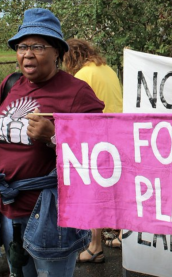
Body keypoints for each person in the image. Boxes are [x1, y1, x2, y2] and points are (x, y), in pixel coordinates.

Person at [0, 8, 104, 277]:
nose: (27, 53)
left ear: (57, 51)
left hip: (51, 217)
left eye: (37, 46)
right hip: (9, 210)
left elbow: (102, 152)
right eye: (22, 46)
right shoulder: (11, 85)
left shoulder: (77, 92)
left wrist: (54, 137)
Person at [63, 38, 123, 263]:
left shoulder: (82, 76)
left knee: (93, 192)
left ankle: (95, 246)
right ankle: (122, 236)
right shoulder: (107, 69)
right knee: (115, 190)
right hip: (118, 135)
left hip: (97, 139)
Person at [63, 38, 123, 113]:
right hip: (119, 121)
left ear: (71, 59)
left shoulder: (82, 75)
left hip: (100, 122)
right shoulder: (109, 69)